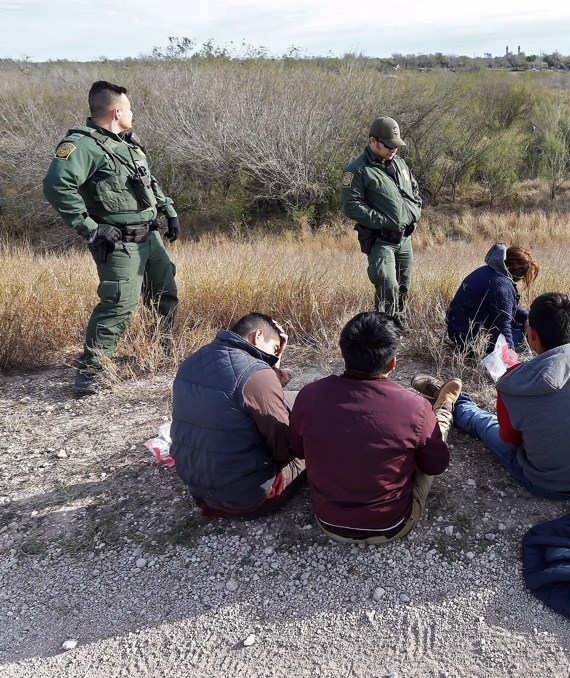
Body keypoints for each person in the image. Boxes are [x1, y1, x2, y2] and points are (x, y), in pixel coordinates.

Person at [42, 80, 181, 396]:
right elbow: (56, 185)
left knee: (165, 295)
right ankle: (90, 372)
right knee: (118, 303)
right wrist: (89, 227)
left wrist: (168, 210)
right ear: (117, 112)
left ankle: (163, 350)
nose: (133, 114)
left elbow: (147, 181)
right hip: (118, 242)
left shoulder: (127, 143)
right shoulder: (82, 146)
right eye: (129, 108)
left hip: (150, 237)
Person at [290, 312, 462, 544]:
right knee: (433, 429)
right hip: (392, 525)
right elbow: (435, 466)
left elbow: (299, 451)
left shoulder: (309, 396)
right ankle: (445, 405)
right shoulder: (414, 407)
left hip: (328, 522)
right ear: (392, 362)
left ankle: (441, 403)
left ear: (343, 353)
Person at [426, 292, 570, 499]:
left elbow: (509, 441)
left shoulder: (514, 383)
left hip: (548, 483)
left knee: (485, 423)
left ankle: (456, 401)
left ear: (532, 334)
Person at [171, 313, 306, 519]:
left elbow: (258, 394)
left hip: (199, 491)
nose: (274, 355)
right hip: (248, 499)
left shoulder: (194, 360)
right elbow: (284, 450)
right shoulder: (257, 374)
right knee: (311, 449)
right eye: (274, 349)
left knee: (292, 399)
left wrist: (274, 361)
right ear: (258, 336)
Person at [341, 116, 422, 325]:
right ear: (373, 141)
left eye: (396, 145)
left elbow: (414, 190)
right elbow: (351, 206)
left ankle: (399, 325)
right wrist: (383, 221)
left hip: (405, 238)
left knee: (403, 285)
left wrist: (415, 212)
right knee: (387, 285)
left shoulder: (400, 163)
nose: (393, 149)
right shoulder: (357, 170)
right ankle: (384, 329)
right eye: (388, 145)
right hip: (381, 240)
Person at [445, 243, 540, 352]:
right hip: (472, 342)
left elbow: (505, 307)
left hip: (456, 333)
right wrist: (510, 357)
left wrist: (527, 317)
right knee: (528, 331)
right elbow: (503, 328)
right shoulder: (502, 286)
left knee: (522, 324)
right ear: (519, 273)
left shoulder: (485, 271)